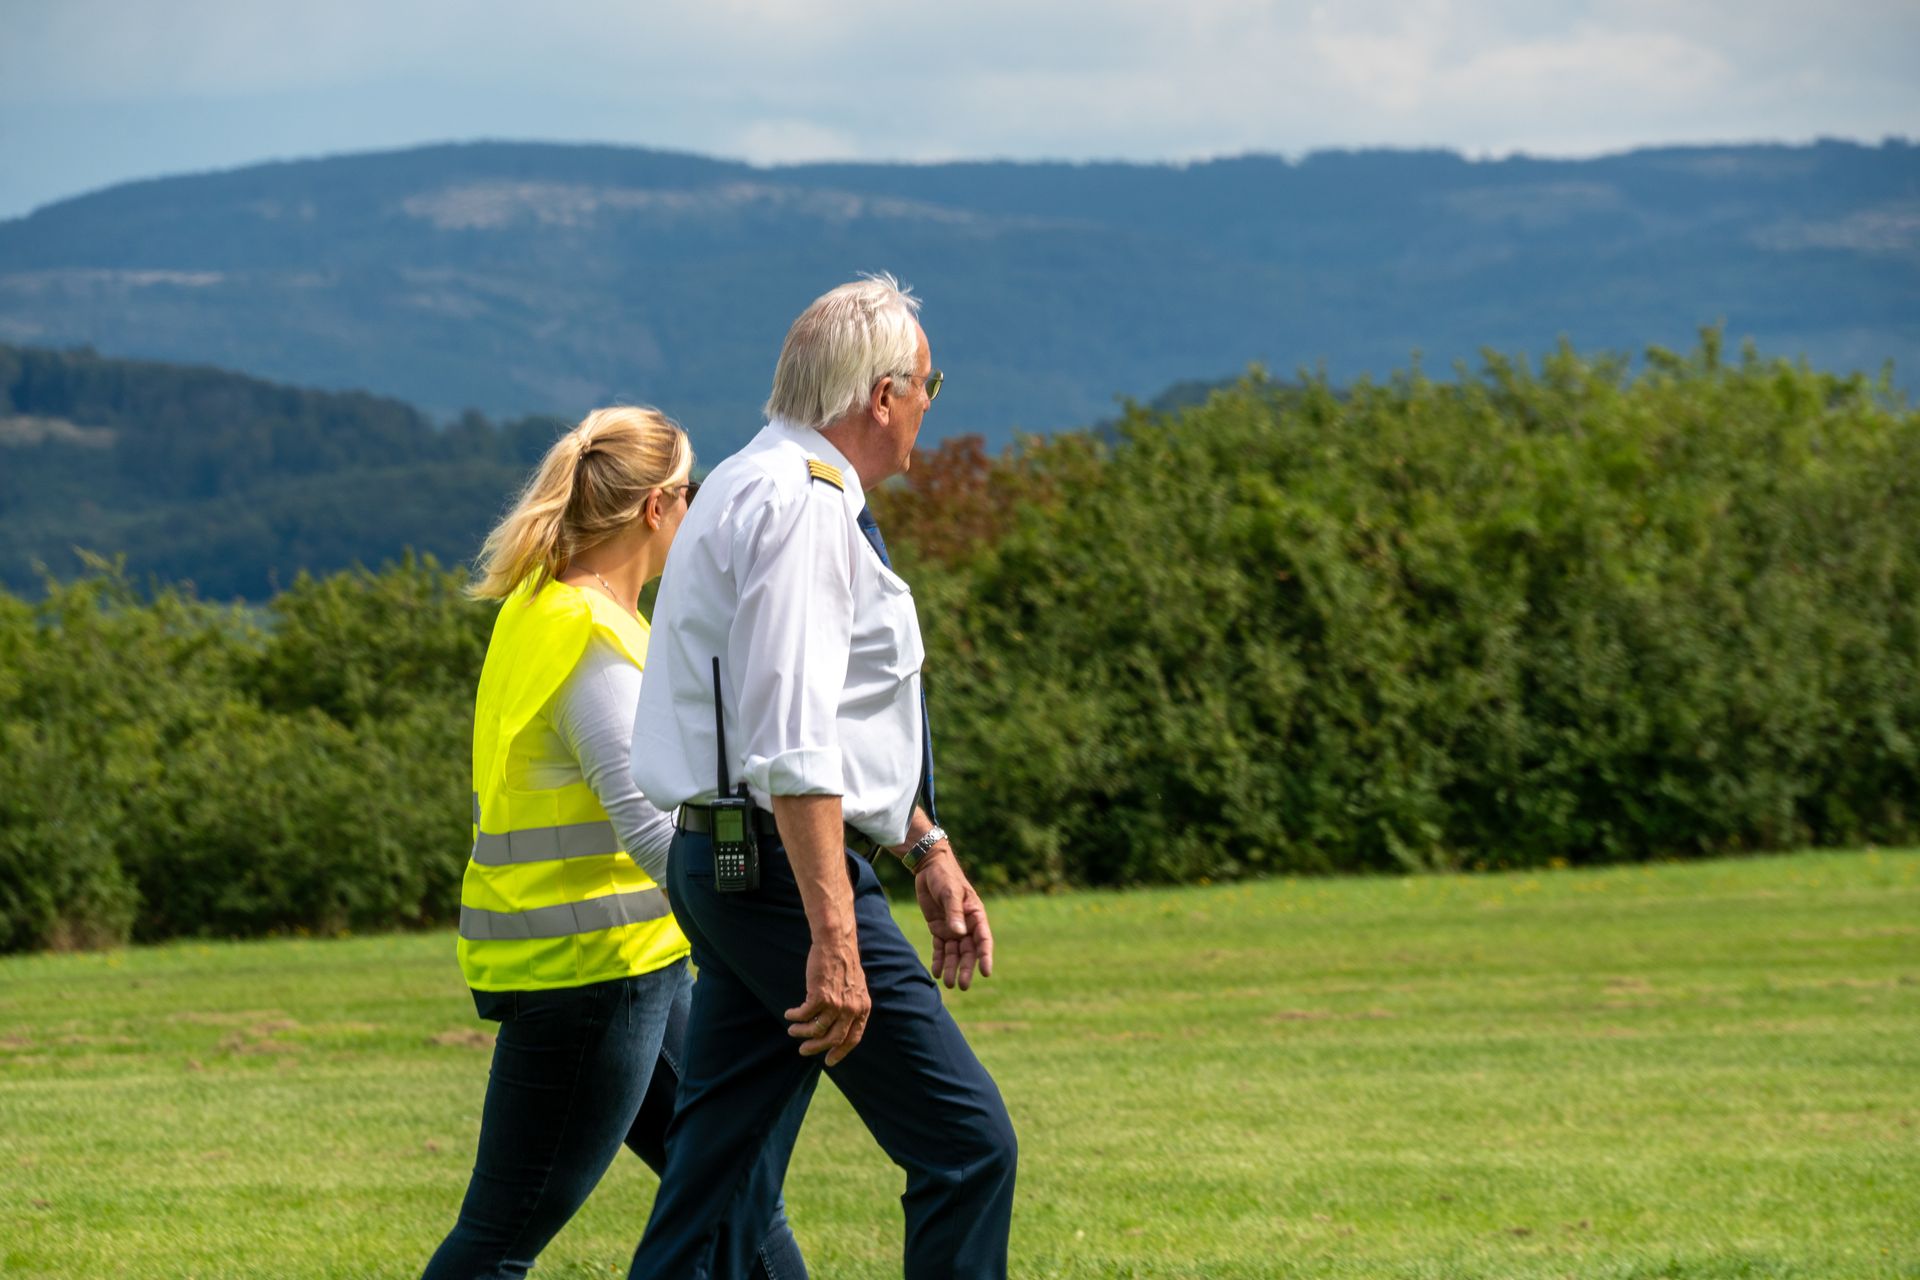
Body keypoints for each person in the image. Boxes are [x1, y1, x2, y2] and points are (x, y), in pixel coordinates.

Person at [627, 275, 1018, 1280]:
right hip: (779, 872)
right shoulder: (803, 509)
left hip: (727, 860)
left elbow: (830, 724)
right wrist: (836, 937)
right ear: (884, 395)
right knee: (967, 1143)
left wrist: (923, 843)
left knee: (717, 1185)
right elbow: (796, 742)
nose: (932, 403)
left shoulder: (756, 482)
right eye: (931, 383)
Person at [422, 406, 806, 1280]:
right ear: (656, 508)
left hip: (627, 967)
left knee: (738, 1196)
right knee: (498, 1240)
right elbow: (648, 828)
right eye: (692, 492)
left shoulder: (545, 609)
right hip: (590, 979)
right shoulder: (591, 642)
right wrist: (766, 926)